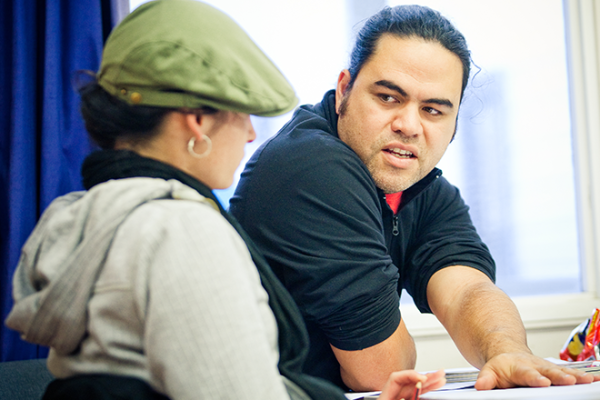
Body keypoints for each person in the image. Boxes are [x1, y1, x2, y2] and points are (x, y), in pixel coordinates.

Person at [4, 1, 446, 399]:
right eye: (241, 114)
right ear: (198, 122)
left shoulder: (82, 215)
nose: (251, 134)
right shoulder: (184, 233)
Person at [230, 4, 600, 393]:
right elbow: (380, 373)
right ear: (344, 90)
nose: (409, 126)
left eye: (433, 110)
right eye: (389, 97)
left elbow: (465, 290)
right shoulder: (311, 168)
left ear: (454, 123)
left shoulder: (420, 189)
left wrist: (506, 351)